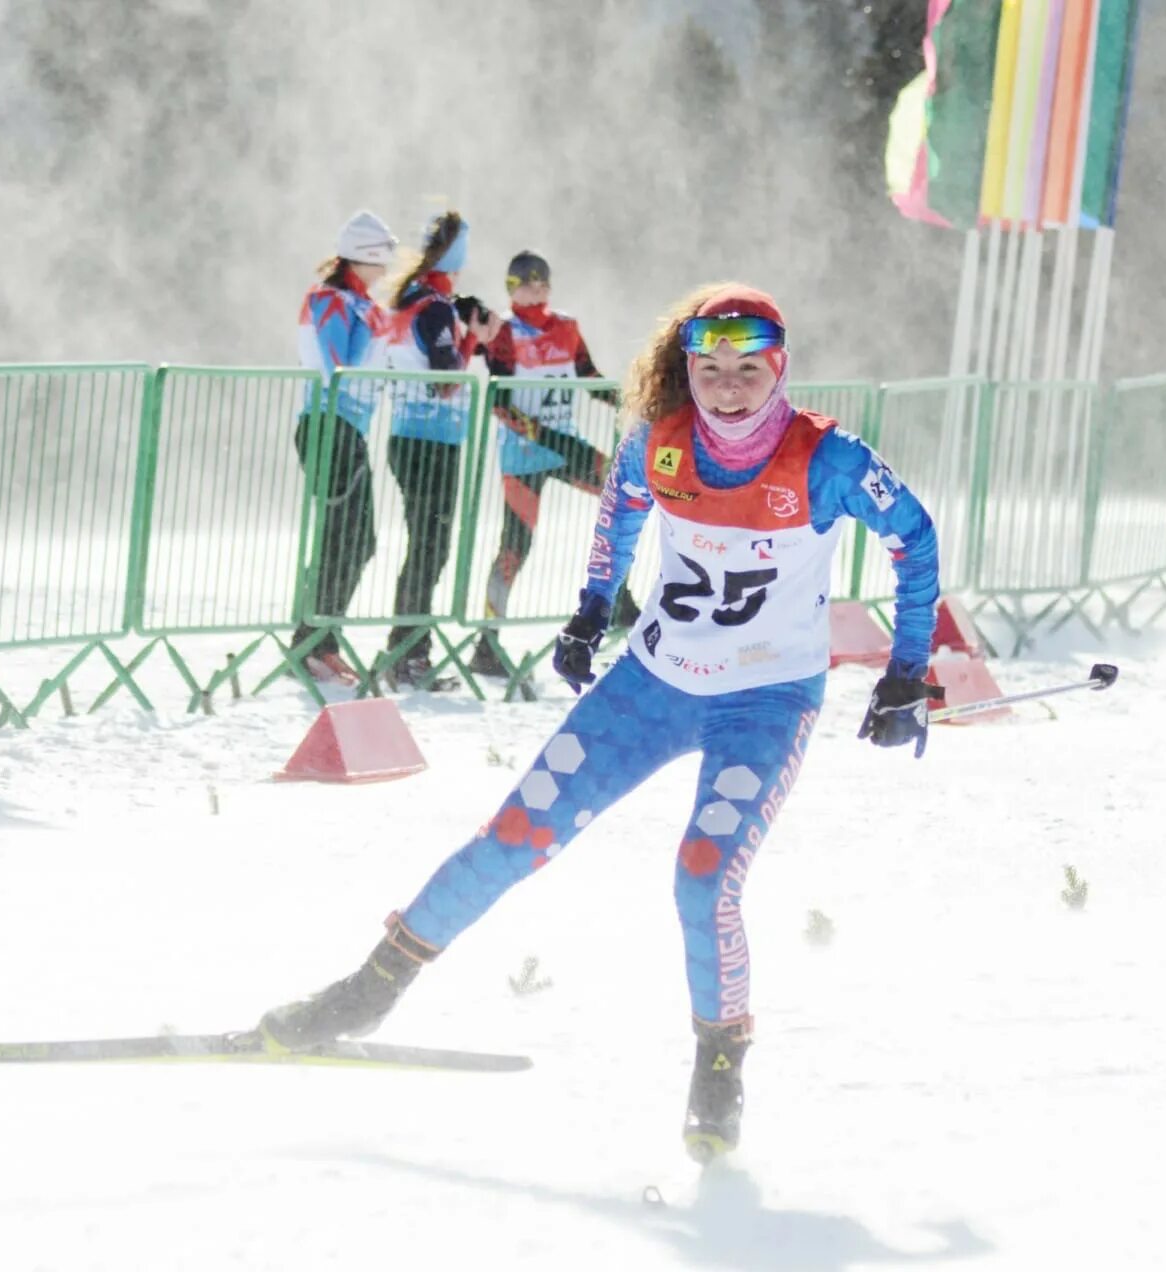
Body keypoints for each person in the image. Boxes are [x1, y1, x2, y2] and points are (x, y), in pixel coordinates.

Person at [258, 284, 943, 1163]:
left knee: (703, 879)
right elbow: (618, 511)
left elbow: (914, 541)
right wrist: (591, 609)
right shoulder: (662, 446)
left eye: (747, 369)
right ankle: (366, 990)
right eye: (708, 369)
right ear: (686, 369)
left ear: (779, 367)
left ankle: (720, 1059)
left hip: (764, 706)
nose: (727, 388)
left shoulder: (829, 461)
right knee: (510, 838)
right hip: (651, 686)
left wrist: (906, 673)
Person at [469, 250, 640, 678]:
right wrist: (541, 434)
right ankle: (486, 643)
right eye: (527, 281)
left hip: (565, 445)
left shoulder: (565, 326)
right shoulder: (505, 332)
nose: (538, 286)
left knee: (620, 496)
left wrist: (631, 402)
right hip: (525, 453)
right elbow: (499, 401)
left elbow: (587, 376)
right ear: (511, 287)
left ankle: (620, 601)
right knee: (516, 546)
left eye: (544, 279)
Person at [370, 210, 501, 690]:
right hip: (431, 441)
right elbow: (447, 380)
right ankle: (407, 655)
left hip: (411, 436)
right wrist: (476, 340)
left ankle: (406, 651)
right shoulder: (435, 307)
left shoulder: (410, 298)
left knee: (425, 549)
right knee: (430, 550)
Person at [291, 210, 399, 683]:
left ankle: (317, 638)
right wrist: (375, 329)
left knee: (357, 539)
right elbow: (340, 365)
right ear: (366, 257)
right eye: (384, 258)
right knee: (346, 537)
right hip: (326, 425)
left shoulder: (361, 304)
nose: (389, 269)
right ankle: (313, 641)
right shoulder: (330, 301)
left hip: (348, 427)